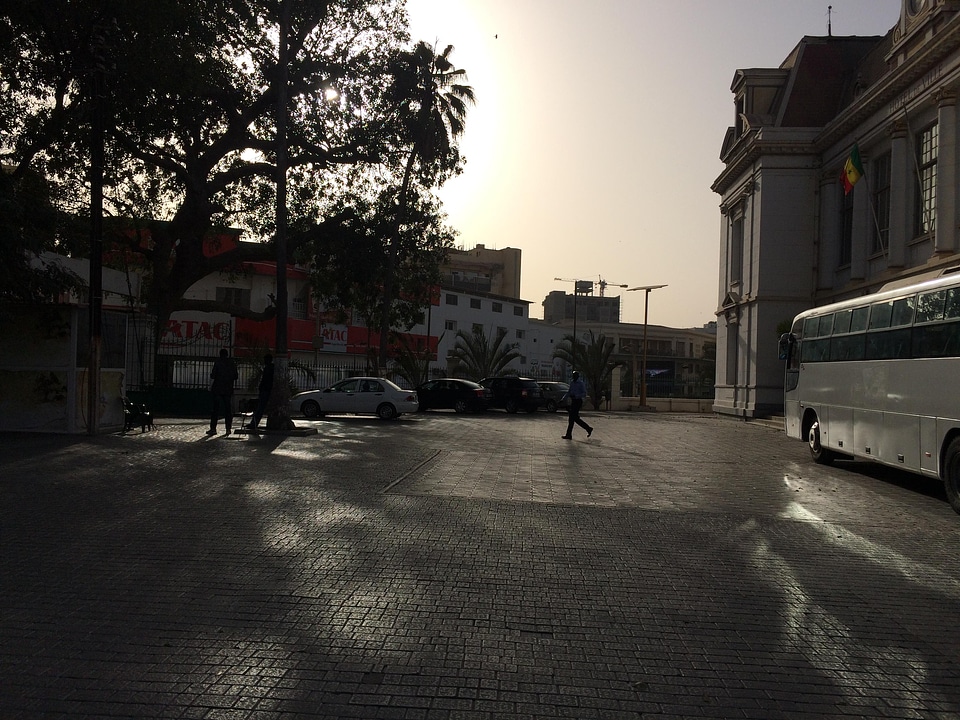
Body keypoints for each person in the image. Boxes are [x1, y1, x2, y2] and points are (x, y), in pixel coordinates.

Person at [208, 349, 239, 435]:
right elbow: (236, 376)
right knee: (228, 410)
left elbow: (213, 375)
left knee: (215, 410)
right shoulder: (232, 363)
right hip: (228, 389)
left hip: (217, 389)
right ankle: (228, 429)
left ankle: (213, 429)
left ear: (220, 354)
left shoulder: (218, 362)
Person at [562, 370, 593, 440]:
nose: (573, 377)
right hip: (573, 401)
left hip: (578, 401)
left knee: (572, 418)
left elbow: (584, 393)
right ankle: (588, 428)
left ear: (577, 376)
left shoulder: (581, 383)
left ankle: (569, 434)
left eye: (574, 376)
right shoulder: (572, 383)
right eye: (573, 376)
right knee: (574, 419)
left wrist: (576, 396)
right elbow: (569, 392)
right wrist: (563, 398)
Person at [248, 353, 274, 431]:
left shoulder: (268, 368)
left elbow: (265, 380)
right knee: (261, 408)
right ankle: (254, 423)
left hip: (266, 390)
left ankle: (254, 424)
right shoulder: (271, 368)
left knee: (260, 408)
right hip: (267, 390)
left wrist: (261, 387)